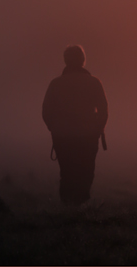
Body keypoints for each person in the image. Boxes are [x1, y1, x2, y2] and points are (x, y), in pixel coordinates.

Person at [42, 45, 108, 205]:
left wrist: (54, 128)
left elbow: (46, 111)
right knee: (86, 171)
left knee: (67, 171)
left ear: (65, 61)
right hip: (88, 136)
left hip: (62, 136)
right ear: (83, 61)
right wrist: (98, 129)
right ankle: (80, 204)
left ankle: (68, 205)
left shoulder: (55, 83)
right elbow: (104, 110)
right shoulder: (94, 82)